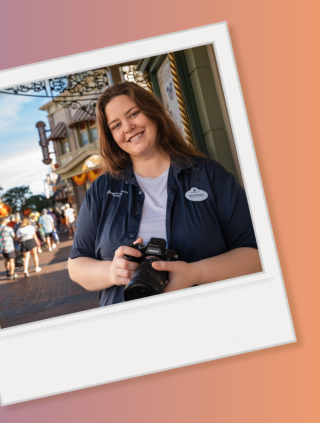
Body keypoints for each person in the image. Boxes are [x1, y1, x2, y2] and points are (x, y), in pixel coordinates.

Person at [67, 82, 260, 306]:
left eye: (133, 114)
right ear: (111, 137)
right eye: (116, 125)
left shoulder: (209, 175)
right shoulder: (101, 190)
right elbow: (76, 265)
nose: (128, 127)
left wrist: (194, 273)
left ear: (152, 113)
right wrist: (112, 271)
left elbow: (256, 254)